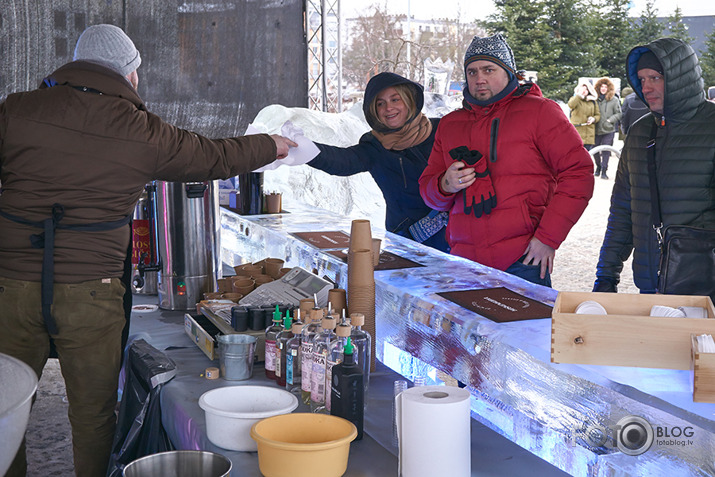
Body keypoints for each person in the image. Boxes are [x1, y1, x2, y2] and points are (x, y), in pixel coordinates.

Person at [0, 24, 296, 477]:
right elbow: (213, 156)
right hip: (92, 292)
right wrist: (270, 146)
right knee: (93, 413)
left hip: (11, 286)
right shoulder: (140, 130)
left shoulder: (16, 111)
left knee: (7, 406)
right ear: (128, 73)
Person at [419, 33, 594, 287]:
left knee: (526, 328)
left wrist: (547, 238)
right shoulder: (449, 125)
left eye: (488, 69)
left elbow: (579, 174)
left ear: (508, 71)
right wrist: (445, 184)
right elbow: (427, 192)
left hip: (523, 260)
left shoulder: (541, 112)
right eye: (472, 72)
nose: (479, 79)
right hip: (463, 262)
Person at [593, 38, 715, 295]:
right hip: (650, 284)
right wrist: (606, 275)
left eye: (655, 77)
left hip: (705, 287)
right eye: (642, 79)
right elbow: (623, 210)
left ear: (680, 78)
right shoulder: (639, 132)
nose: (646, 87)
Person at [308, 72, 449, 253]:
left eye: (395, 100)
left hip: (454, 239)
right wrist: (304, 150)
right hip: (407, 243)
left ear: (409, 101)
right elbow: (342, 161)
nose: (388, 108)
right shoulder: (374, 146)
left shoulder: (441, 130)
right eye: (380, 103)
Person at [592, 77, 622, 179]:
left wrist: (610, 120)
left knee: (606, 150)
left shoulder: (614, 100)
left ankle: (604, 170)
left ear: (609, 88)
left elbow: (618, 113)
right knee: (594, 150)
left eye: (605, 86)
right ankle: (598, 167)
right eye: (601, 86)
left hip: (608, 130)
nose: (603, 88)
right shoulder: (594, 99)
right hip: (595, 129)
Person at [568, 80, 600, 150]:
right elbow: (571, 105)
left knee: (587, 155)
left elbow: (597, 115)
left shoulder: (593, 102)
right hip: (577, 132)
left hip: (589, 133)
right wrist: (579, 95)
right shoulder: (575, 99)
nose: (584, 91)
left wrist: (593, 119)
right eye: (583, 89)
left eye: (586, 89)